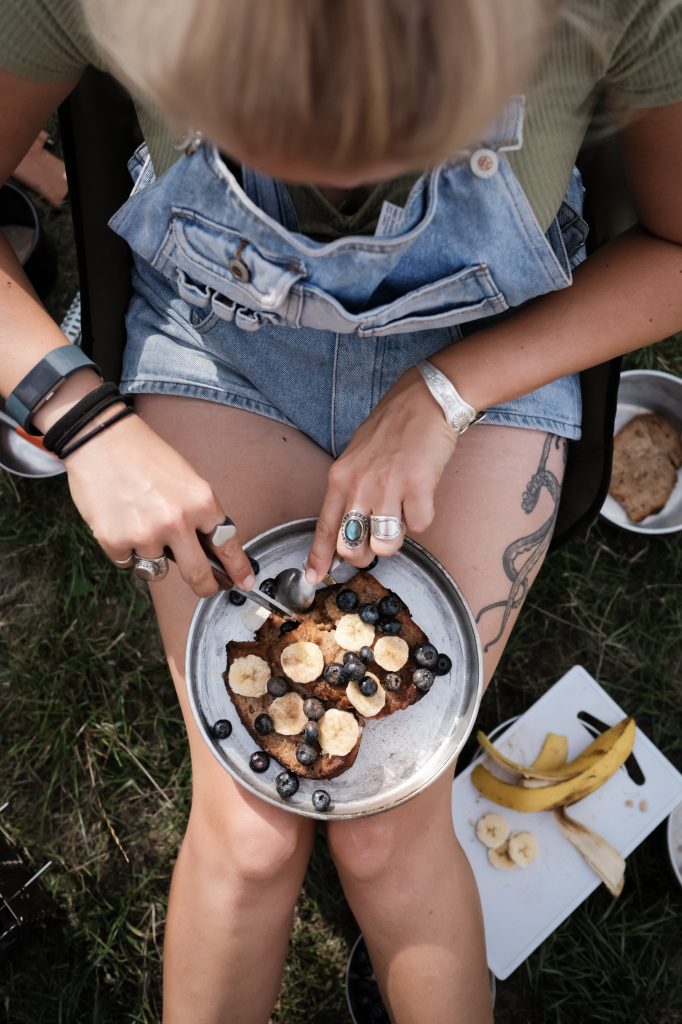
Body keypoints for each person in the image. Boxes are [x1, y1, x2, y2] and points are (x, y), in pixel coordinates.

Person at [1, 0, 681, 1020]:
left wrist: (445, 391)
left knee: (387, 832)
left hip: (494, 342)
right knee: (246, 835)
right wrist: (79, 416)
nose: (340, 201)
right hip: (222, 334)